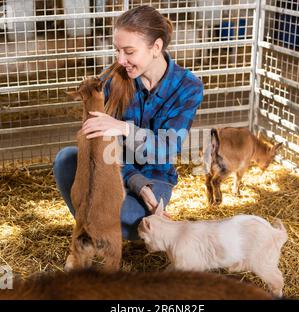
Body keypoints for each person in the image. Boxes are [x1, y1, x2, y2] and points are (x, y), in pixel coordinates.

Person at [53, 5, 204, 240]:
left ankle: (111, 228)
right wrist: (135, 181)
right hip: (115, 170)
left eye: (129, 51)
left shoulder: (188, 87)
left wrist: (123, 128)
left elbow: (166, 148)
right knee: (66, 159)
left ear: (156, 47)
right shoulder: (110, 80)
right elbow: (96, 147)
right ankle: (93, 233)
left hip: (155, 179)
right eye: (117, 51)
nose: (120, 60)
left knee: (124, 214)